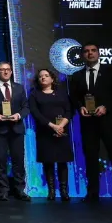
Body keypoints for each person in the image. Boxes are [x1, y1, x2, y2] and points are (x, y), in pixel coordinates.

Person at [68, 42, 112, 201]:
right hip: (88, 123)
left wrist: (106, 107)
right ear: (82, 55)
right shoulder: (77, 75)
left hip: (108, 121)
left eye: (93, 50)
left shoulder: (111, 72)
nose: (90, 53)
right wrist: (80, 107)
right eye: (86, 51)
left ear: (98, 53)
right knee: (90, 156)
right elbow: (74, 97)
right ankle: (92, 192)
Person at [0, 61, 30, 202]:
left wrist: (19, 115)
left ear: (11, 71)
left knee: (18, 161)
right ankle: (3, 190)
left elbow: (26, 107)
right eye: (2, 69)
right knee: (1, 161)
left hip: (16, 128)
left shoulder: (19, 88)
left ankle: (20, 190)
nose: (5, 72)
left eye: (7, 69)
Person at [29, 68, 74, 201]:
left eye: (46, 75)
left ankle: (64, 191)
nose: (43, 78)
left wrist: (61, 126)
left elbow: (69, 111)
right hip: (45, 132)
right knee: (48, 161)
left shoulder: (62, 93)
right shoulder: (34, 94)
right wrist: (52, 126)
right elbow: (35, 113)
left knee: (62, 161)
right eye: (40, 76)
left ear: (52, 79)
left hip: (62, 131)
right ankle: (51, 191)